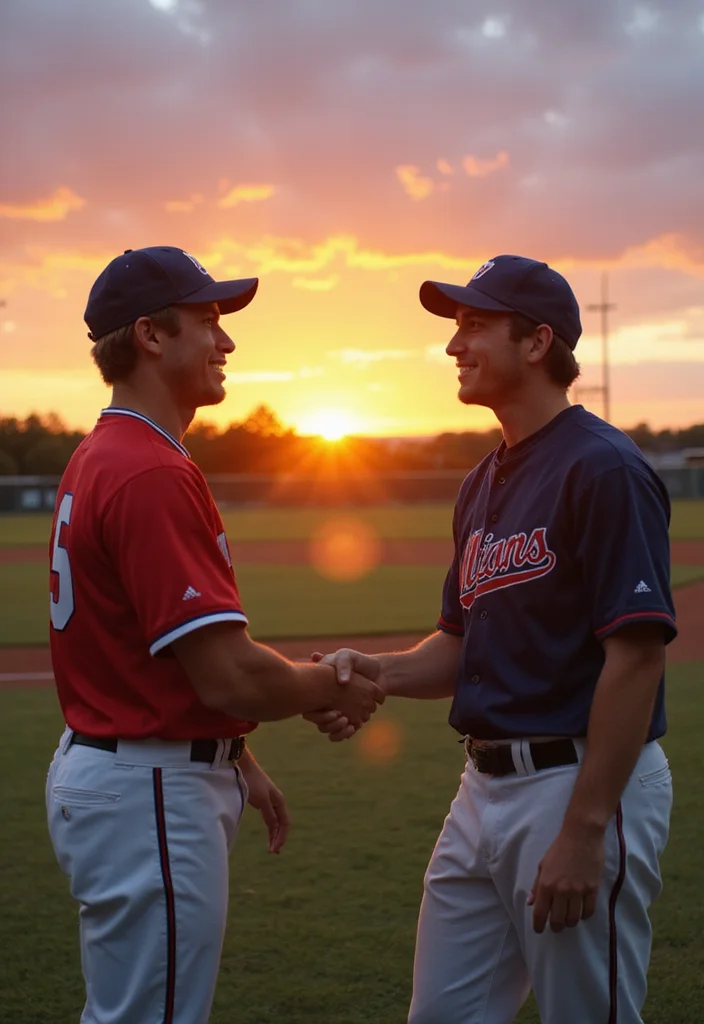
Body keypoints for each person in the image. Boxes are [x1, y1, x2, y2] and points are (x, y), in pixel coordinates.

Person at [307, 254, 677, 1023]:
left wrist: (584, 830)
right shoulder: (483, 481)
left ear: (537, 343)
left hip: (573, 783)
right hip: (481, 791)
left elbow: (637, 656)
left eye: (475, 324)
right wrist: (371, 669)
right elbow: (459, 644)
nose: (454, 344)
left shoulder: (603, 467)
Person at [46, 245, 384, 1024]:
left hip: (126, 772)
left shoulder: (105, 452)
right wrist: (333, 682)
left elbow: (151, 656)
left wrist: (238, 754)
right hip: (150, 792)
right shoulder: (149, 471)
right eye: (208, 321)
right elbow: (229, 676)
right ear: (150, 337)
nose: (226, 341)